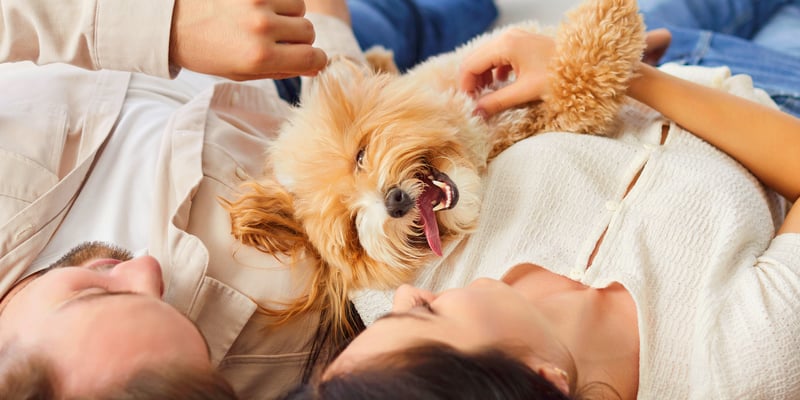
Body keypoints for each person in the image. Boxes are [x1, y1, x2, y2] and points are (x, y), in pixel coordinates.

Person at [284, 0, 800, 399]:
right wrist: (618, 72)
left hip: (635, 39)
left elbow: (334, 142)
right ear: (545, 380)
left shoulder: (405, 269)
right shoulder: (733, 369)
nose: (401, 297)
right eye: (423, 317)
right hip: (778, 89)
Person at [0, 0, 497, 399]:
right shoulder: (271, 363)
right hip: (318, 109)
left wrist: (163, 26)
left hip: (163, 28)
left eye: (90, 294)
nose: (147, 269)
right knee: (463, 15)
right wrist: (331, 50)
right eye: (168, 309)